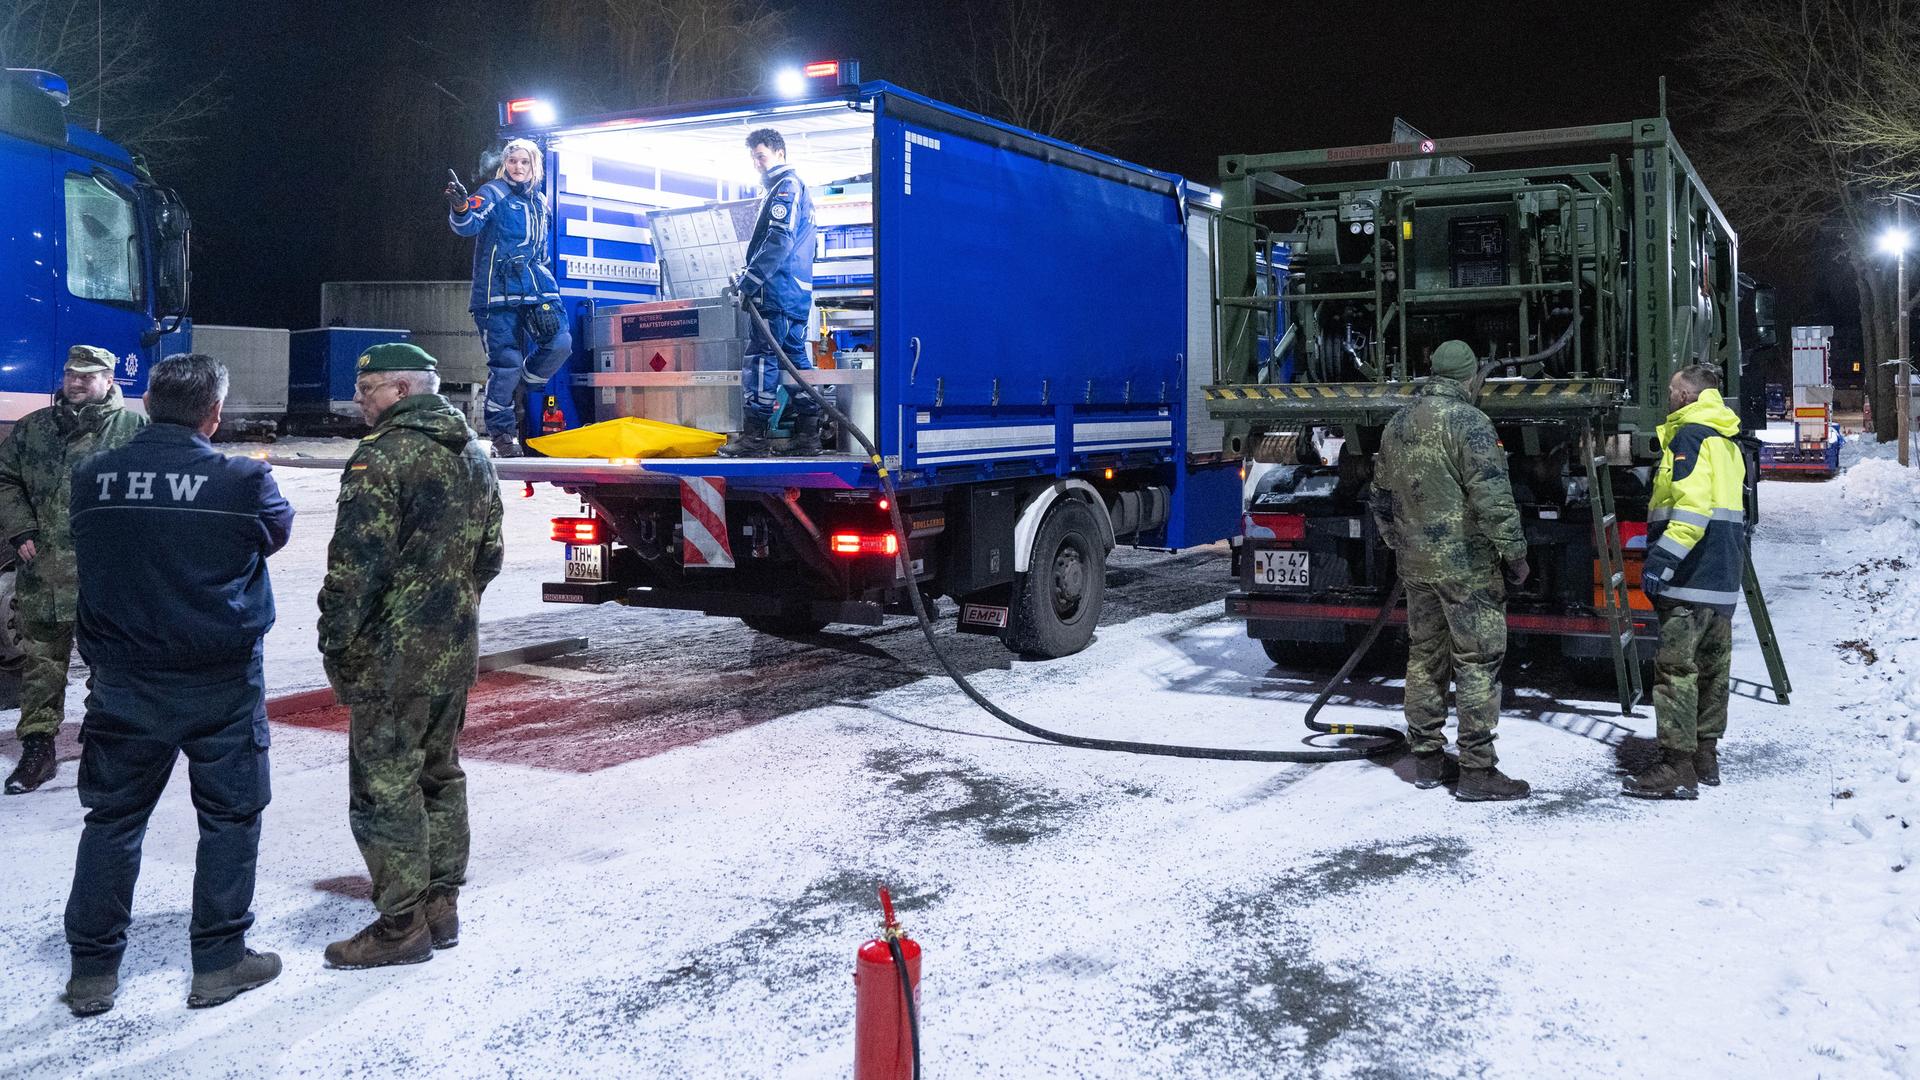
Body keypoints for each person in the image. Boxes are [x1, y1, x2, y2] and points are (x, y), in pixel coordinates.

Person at [61, 354, 293, 1016]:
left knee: (112, 820)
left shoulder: (92, 476)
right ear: (212, 414)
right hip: (219, 682)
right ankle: (218, 962)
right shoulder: (243, 479)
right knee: (229, 818)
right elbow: (273, 534)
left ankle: (93, 974)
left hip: (123, 682)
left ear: (147, 405)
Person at [318, 343, 503, 968]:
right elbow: (490, 556)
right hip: (453, 647)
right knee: (439, 772)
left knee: (384, 787)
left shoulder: (382, 457)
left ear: (401, 390)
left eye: (368, 389)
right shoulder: (473, 453)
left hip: (391, 657)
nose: (359, 400)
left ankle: (401, 925)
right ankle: (439, 906)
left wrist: (337, 640)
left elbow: (354, 567)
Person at [1370, 339, 1532, 801]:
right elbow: (1493, 498)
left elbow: (1380, 497)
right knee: (1477, 662)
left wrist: (1398, 544)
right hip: (1467, 568)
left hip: (1416, 568)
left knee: (1425, 658)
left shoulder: (1397, 424)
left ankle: (1426, 761)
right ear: (1469, 379)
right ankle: (1477, 772)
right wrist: (1514, 554)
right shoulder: (1470, 423)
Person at [0, 345, 147, 795]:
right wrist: (20, 527)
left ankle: (104, 740)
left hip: (109, 575)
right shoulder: (34, 429)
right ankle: (39, 748)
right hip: (44, 572)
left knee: (110, 663)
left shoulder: (136, 429)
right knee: (41, 664)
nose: (77, 382)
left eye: (88, 375)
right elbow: (5, 478)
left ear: (109, 379)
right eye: (70, 374)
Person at [1624, 364, 1749, 800]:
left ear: (1687, 397)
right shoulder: (1726, 438)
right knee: (1715, 668)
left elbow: (1692, 512)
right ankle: (1704, 756)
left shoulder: (1689, 437)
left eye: (1674, 390)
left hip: (1690, 572)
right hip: (1721, 574)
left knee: (1677, 670)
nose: (1670, 396)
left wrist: (1661, 561)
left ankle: (1676, 766)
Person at [445, 138, 571, 459]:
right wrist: (460, 207)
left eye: (524, 162)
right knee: (506, 365)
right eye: (512, 161)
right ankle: (502, 436)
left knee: (560, 343)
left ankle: (520, 387)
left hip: (533, 289)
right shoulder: (493, 193)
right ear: (505, 164)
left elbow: (541, 251)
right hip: (495, 295)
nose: (518, 167)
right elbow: (468, 224)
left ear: (534, 166)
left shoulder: (541, 203)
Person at [718, 128, 828, 457]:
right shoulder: (795, 191)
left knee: (762, 360)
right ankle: (809, 434)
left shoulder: (785, 188)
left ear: (780, 153)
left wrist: (749, 280)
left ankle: (754, 437)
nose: (757, 164)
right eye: (753, 158)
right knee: (794, 361)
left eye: (761, 156)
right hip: (794, 295)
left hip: (776, 294)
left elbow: (779, 240)